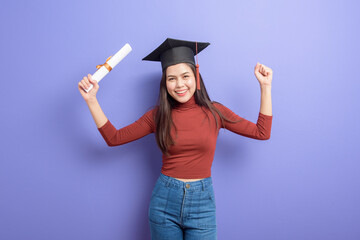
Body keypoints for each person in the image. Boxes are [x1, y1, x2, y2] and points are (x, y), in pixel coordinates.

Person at [78, 38, 273, 240]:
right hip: (164, 202)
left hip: (202, 206)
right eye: (171, 79)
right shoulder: (157, 116)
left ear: (196, 76)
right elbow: (114, 138)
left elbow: (262, 132)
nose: (179, 84)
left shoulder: (215, 112)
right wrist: (92, 101)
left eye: (185, 76)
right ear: (165, 83)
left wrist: (265, 86)